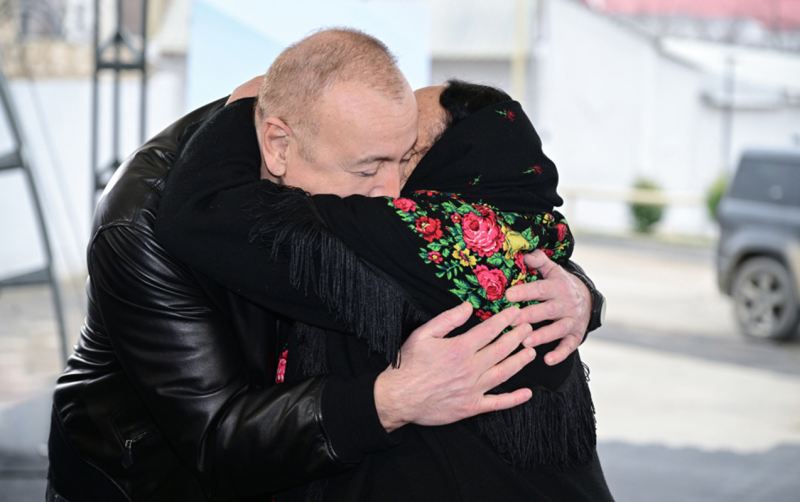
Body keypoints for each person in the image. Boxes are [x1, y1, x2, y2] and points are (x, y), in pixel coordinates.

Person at [47, 29, 603, 502]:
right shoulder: (143, 227)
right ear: (277, 146)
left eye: (405, 158)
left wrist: (579, 295)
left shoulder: (332, 139)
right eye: (369, 169)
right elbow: (216, 437)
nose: (394, 194)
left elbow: (472, 245)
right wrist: (392, 399)